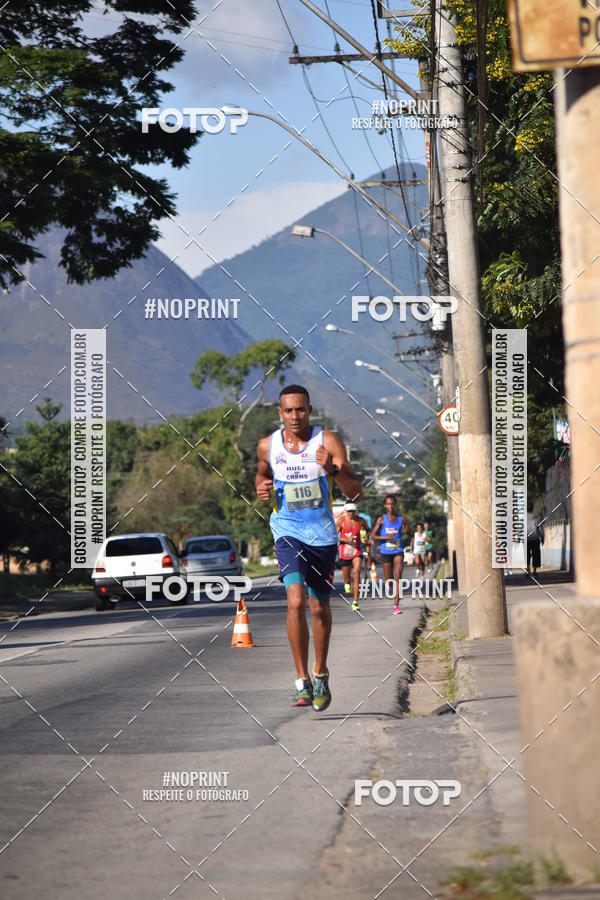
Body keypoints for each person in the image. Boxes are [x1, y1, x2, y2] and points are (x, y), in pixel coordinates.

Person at [255, 385, 363, 711]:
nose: (294, 416)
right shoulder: (267, 446)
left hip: (323, 536)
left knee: (318, 607)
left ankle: (320, 672)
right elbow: (262, 478)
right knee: (295, 599)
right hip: (287, 531)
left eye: (300, 409)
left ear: (310, 410)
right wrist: (261, 489)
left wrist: (331, 468)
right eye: (288, 410)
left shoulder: (326, 441)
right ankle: (301, 681)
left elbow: (356, 494)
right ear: (279, 412)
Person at [371, 495, 409, 615]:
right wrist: (386, 537)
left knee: (398, 576)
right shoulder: (381, 519)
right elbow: (372, 536)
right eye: (388, 504)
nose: (390, 506)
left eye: (392, 504)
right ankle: (389, 584)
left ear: (395, 505)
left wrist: (406, 528)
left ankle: (396, 605)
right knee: (389, 580)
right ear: (385, 505)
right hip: (385, 552)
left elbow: (408, 530)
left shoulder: (401, 518)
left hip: (398, 550)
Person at [337, 503, 369, 612]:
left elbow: (368, 530)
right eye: (349, 511)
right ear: (346, 510)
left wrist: (366, 538)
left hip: (357, 552)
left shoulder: (361, 521)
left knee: (357, 573)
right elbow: (334, 537)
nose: (351, 513)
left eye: (353, 511)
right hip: (345, 552)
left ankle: (355, 602)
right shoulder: (341, 521)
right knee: (347, 578)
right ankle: (347, 583)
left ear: (356, 511)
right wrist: (346, 540)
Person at [526, 501, 544, 576]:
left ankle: (527, 571)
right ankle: (535, 571)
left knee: (526, 555)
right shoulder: (536, 518)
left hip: (526, 539)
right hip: (535, 539)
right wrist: (542, 537)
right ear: (532, 508)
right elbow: (540, 529)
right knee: (536, 555)